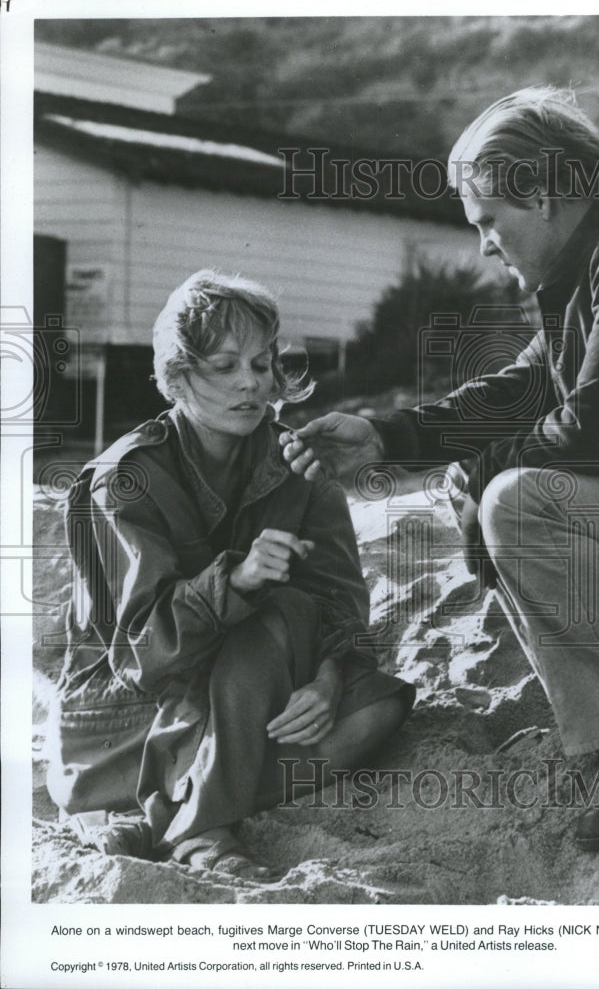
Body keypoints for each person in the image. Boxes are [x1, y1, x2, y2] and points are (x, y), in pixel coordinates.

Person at [282, 87, 599, 851]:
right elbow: (532, 386)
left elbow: (589, 434)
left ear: (539, 195)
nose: (482, 246)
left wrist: (478, 478)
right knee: (498, 486)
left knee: (518, 500)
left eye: (487, 222)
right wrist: (386, 435)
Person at [46, 269, 414, 876]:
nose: (252, 383)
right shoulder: (124, 480)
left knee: (378, 709)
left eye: (262, 363)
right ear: (179, 377)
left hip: (252, 701)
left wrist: (326, 679)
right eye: (225, 366)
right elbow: (144, 654)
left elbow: (343, 604)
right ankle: (202, 829)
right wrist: (235, 583)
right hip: (132, 720)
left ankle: (159, 815)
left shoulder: (295, 459)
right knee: (274, 610)